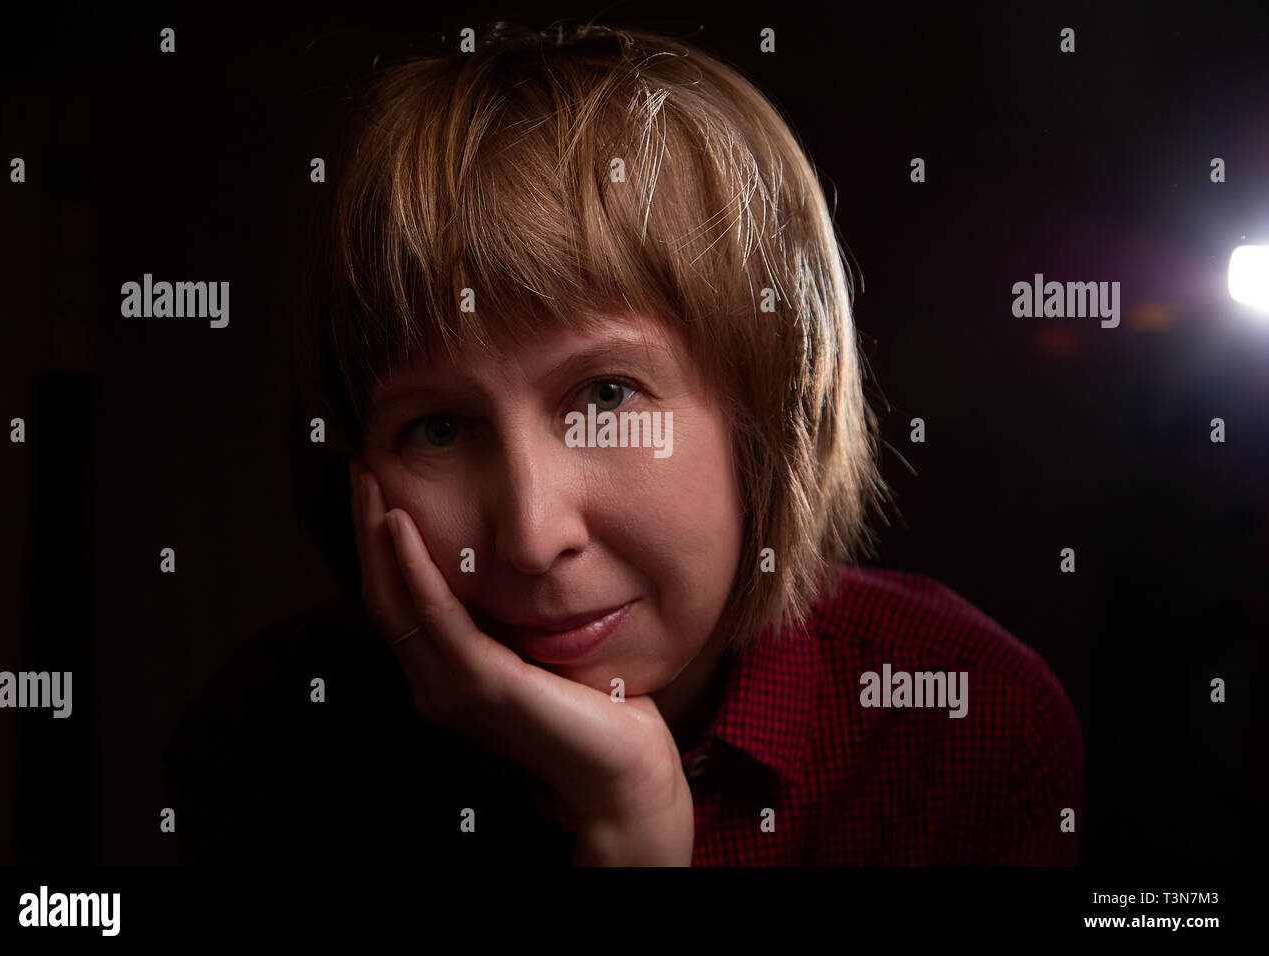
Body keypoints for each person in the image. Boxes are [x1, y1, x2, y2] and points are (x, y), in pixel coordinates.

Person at [167, 21, 1081, 866]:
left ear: (768, 405)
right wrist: (629, 817)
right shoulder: (274, 738)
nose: (530, 534)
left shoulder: (963, 719)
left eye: (607, 395)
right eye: (438, 429)